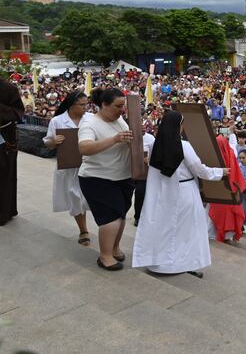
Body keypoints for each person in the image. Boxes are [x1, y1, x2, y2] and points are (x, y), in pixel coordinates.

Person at [132, 111, 229, 275]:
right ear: (178, 126)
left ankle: (160, 262)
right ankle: (182, 263)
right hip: (185, 192)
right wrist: (220, 172)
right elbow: (199, 169)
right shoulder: (184, 145)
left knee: (166, 228)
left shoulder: (157, 144)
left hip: (164, 193)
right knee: (187, 230)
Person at [77, 88, 134, 271]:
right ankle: (105, 255)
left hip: (122, 176)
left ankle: (114, 248)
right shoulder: (89, 123)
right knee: (111, 218)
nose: (121, 110)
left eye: (123, 106)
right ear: (104, 104)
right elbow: (85, 148)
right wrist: (115, 139)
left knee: (121, 215)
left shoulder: (119, 120)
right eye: (118, 106)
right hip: (98, 177)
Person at [43, 91, 94, 245]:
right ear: (72, 105)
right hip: (69, 166)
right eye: (82, 105)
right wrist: (54, 141)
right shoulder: (58, 121)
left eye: (87, 104)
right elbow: (47, 142)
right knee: (75, 197)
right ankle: (83, 230)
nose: (86, 108)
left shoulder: (91, 119)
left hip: (90, 164)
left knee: (90, 197)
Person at [0, 76, 24, 226]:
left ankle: (4, 212)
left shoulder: (9, 88)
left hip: (5, 137)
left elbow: (18, 111)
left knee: (4, 175)